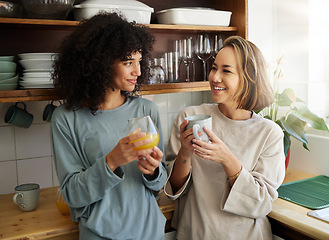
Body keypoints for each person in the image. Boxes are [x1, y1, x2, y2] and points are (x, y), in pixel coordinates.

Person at [51, 13, 167, 240]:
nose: (138, 71)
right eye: (128, 62)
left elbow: (159, 186)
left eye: (139, 61)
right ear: (101, 64)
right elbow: (72, 194)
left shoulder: (147, 111)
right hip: (100, 235)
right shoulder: (65, 119)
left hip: (149, 232)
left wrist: (154, 171)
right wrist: (112, 160)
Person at [164, 36, 286, 240]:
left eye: (226, 70)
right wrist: (185, 152)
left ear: (249, 78)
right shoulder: (191, 117)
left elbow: (261, 202)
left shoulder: (269, 133)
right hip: (196, 232)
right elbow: (174, 188)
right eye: (214, 68)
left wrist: (227, 159)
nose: (214, 77)